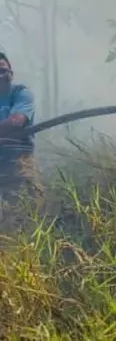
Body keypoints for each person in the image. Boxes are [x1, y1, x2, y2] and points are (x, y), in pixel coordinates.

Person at [0, 52, 41, 226]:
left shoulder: (21, 93)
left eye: (3, 70)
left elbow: (17, 121)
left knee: (23, 213)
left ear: (11, 73)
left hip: (18, 162)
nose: (1, 75)